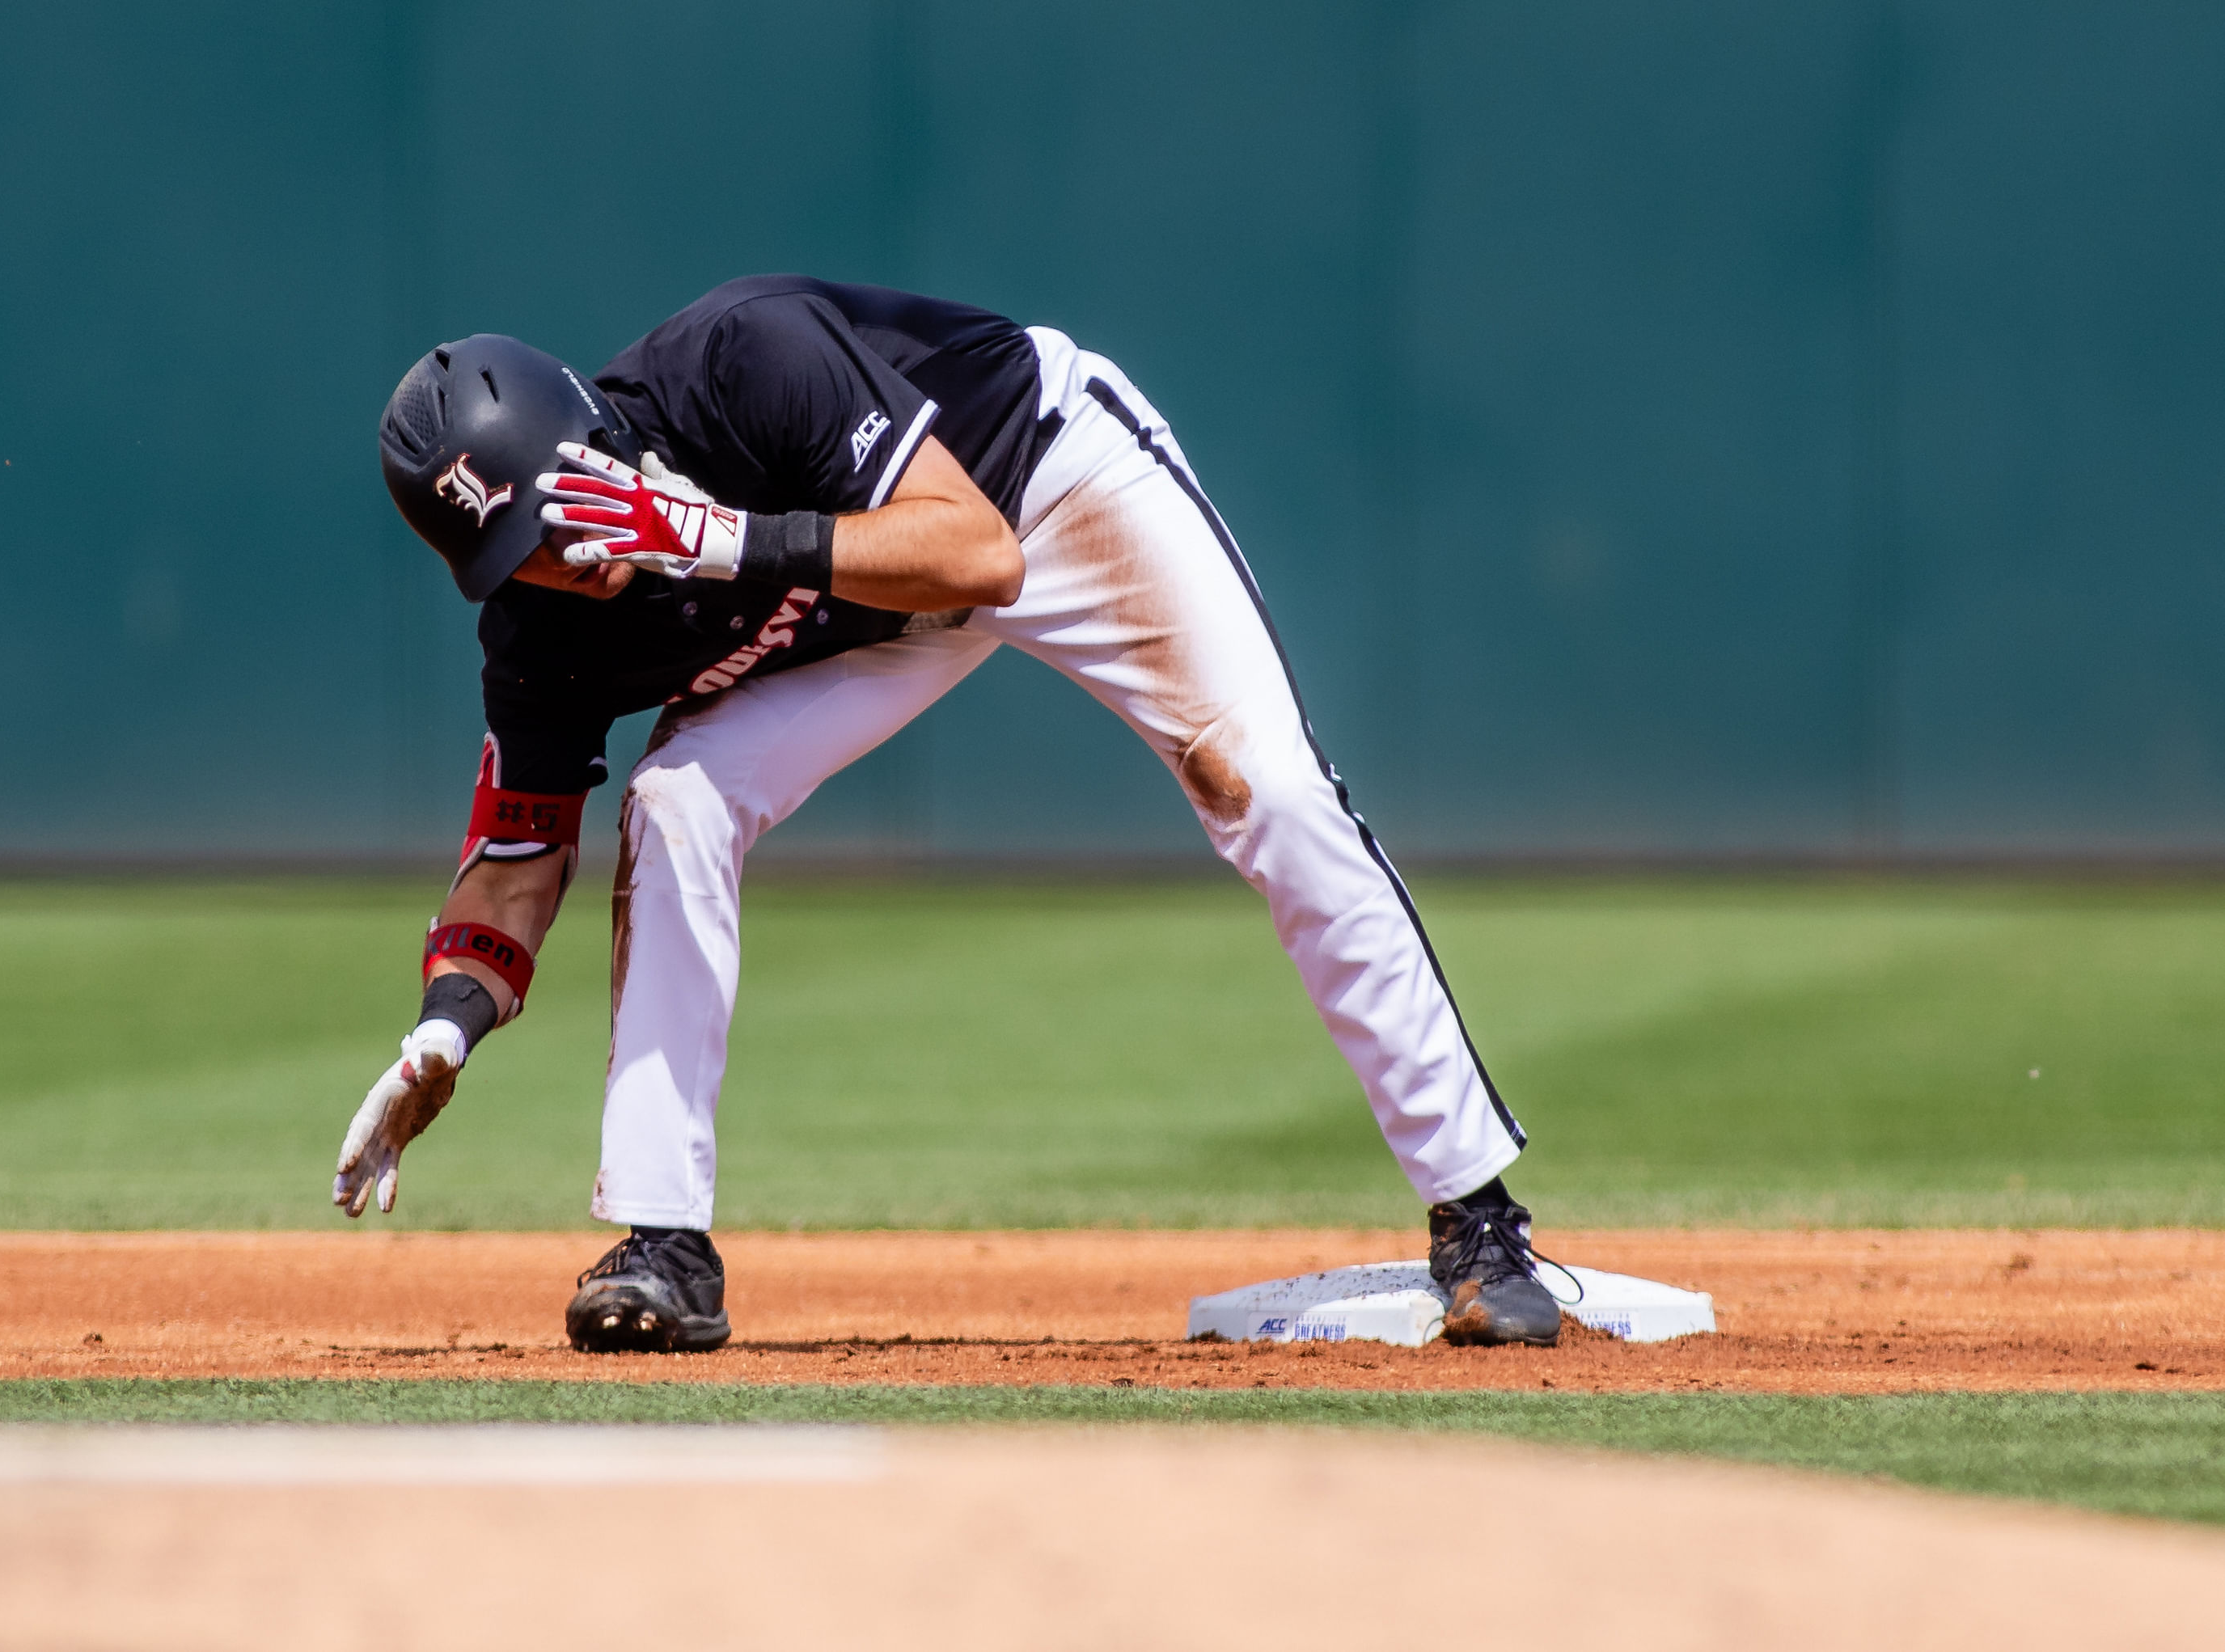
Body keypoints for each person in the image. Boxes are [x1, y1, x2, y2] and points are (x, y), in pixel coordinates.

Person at [335, 277, 1561, 1350]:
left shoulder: (743, 360)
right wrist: (445, 1030)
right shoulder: (543, 634)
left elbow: (975, 559)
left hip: (1036, 484)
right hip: (854, 620)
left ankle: (1477, 1218)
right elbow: (510, 866)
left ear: (594, 437)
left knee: (1265, 788)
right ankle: (663, 1246)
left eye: (557, 515)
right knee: (674, 800)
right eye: (516, 554)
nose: (556, 560)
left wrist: (718, 538)